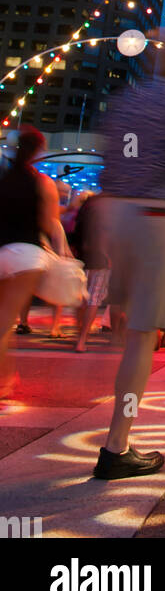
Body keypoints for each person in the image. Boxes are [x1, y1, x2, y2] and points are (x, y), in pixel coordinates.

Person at [94, 28, 165, 480]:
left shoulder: (125, 99)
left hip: (118, 215)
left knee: (128, 328)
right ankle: (117, 445)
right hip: (155, 219)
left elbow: (109, 161)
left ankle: (116, 430)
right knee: (143, 336)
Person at [0, 128, 59, 399]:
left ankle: (8, 377)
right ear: (38, 151)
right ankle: (4, 382)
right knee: (4, 321)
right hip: (26, 253)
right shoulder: (42, 182)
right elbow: (48, 223)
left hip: (2, 250)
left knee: (4, 320)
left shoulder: (4, 177)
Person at [71, 192, 111, 353]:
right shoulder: (102, 214)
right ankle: (82, 339)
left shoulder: (83, 214)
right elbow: (103, 237)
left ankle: (78, 334)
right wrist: (108, 256)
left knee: (81, 298)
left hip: (82, 258)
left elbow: (76, 238)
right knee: (93, 299)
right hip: (99, 260)